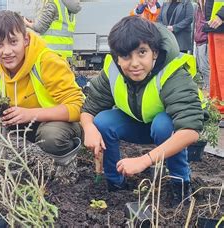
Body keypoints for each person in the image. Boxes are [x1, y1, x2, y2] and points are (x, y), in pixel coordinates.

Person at [0, 10, 84, 180]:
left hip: (57, 124)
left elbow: (78, 106)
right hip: (18, 120)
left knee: (52, 136)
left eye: (13, 42)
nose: (7, 51)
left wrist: (30, 114)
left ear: (25, 40)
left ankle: (66, 166)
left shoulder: (47, 61)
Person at [81, 16, 203, 207]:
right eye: (126, 56)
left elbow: (190, 130)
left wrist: (145, 160)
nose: (135, 63)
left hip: (164, 131)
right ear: (117, 56)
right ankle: (116, 184)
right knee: (102, 121)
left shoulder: (173, 72)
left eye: (142, 53)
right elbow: (90, 108)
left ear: (154, 52)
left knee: (164, 124)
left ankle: (180, 186)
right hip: (135, 125)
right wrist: (88, 128)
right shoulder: (113, 70)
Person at [203, 0, 224, 115]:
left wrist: (221, 14)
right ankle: (218, 107)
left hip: (220, 25)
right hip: (214, 28)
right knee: (216, 71)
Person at [194, 0, 210, 90]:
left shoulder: (207, 6)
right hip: (198, 40)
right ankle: (206, 85)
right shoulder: (197, 8)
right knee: (200, 66)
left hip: (205, 40)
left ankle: (209, 88)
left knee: (205, 67)